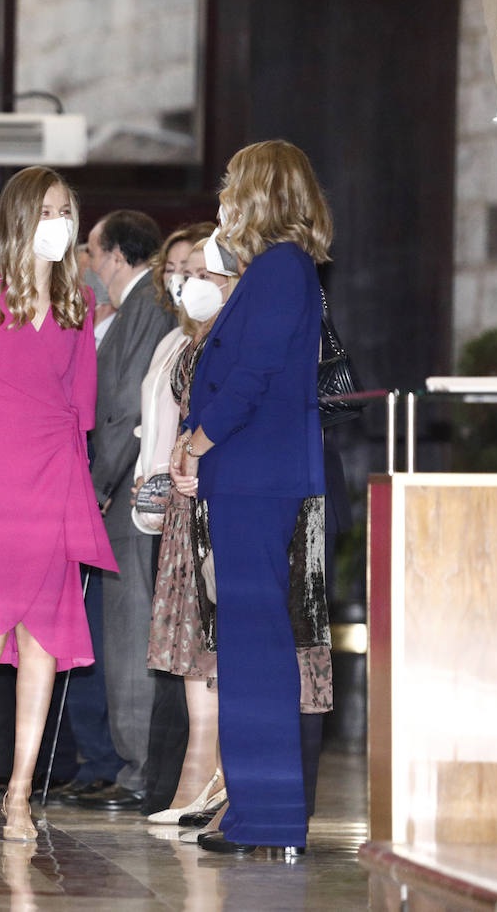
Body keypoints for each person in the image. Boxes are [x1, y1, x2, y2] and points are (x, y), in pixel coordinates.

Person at [0, 165, 116, 840]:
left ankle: (20, 797)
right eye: (48, 210)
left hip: (52, 485)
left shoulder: (79, 303)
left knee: (42, 648)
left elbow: (81, 414)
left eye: (68, 209)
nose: (60, 221)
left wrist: (75, 502)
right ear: (19, 219)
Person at [170, 139, 329, 855]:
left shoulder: (280, 269)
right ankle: (253, 812)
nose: (225, 198)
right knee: (245, 644)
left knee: (255, 645)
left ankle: (268, 816)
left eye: (234, 185)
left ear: (262, 192)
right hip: (248, 475)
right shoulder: (273, 271)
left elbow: (254, 374)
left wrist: (197, 441)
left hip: (256, 475)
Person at [72, 210, 174, 812]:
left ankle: (138, 769)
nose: (88, 265)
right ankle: (132, 764)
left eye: (91, 251)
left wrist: (96, 482)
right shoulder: (142, 305)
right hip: (123, 492)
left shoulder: (145, 306)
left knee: (133, 634)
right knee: (120, 636)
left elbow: (123, 410)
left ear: (114, 254)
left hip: (130, 497)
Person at [137, 235, 233, 824]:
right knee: (191, 643)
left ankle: (210, 772)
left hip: (213, 498)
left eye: (202, 271)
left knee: (214, 638)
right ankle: (198, 773)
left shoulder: (233, 336)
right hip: (180, 501)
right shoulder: (187, 339)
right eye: (183, 272)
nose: (190, 281)